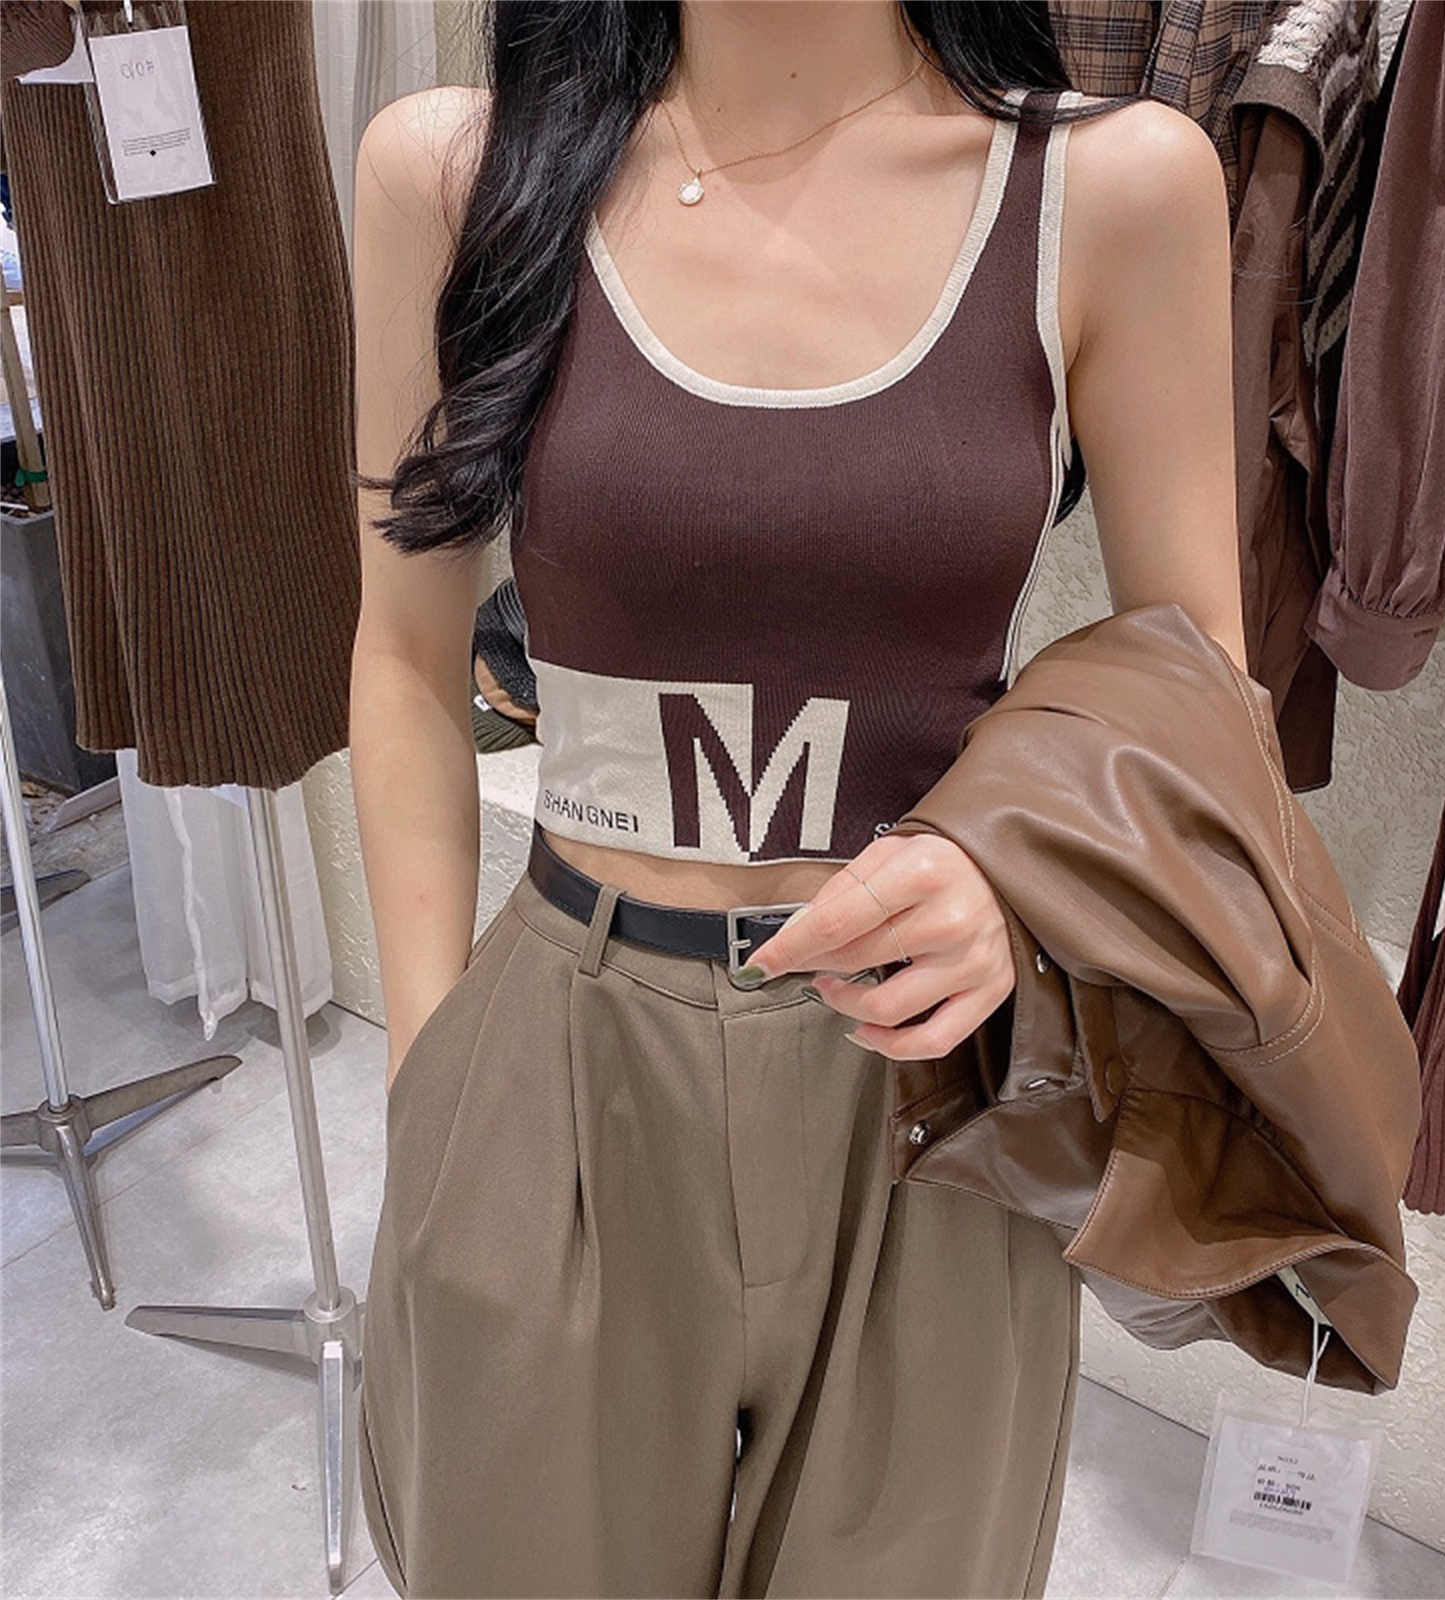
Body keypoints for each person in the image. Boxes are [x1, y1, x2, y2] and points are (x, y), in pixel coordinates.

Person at [349, 2, 1245, 1595]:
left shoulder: (1112, 187)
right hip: (563, 1059)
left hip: (939, 1099)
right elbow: (407, 658)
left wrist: (1021, 877)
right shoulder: (458, 174)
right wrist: (434, 1094)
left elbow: (1199, 680)